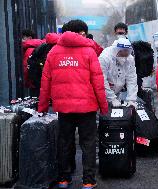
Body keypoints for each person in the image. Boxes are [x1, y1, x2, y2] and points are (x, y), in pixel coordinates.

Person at [38, 19, 108, 189]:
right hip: (87, 108)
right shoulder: (89, 51)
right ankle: (88, 181)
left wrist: (42, 107)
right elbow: (98, 82)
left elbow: (45, 82)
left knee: (64, 143)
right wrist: (104, 106)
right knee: (88, 144)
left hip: (63, 109)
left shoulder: (53, 52)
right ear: (81, 33)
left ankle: (63, 179)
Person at [99, 38, 138, 107]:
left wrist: (131, 100)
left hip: (117, 93)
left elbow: (132, 79)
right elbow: (101, 80)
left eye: (127, 52)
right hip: (102, 95)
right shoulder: (105, 58)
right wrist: (112, 98)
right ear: (116, 50)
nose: (124, 55)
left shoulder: (130, 59)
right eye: (122, 53)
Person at [22, 29, 44, 96]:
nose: (22, 40)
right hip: (40, 80)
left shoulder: (30, 49)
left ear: (30, 38)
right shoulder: (41, 46)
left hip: (33, 83)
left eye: (23, 38)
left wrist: (26, 83)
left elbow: (26, 68)